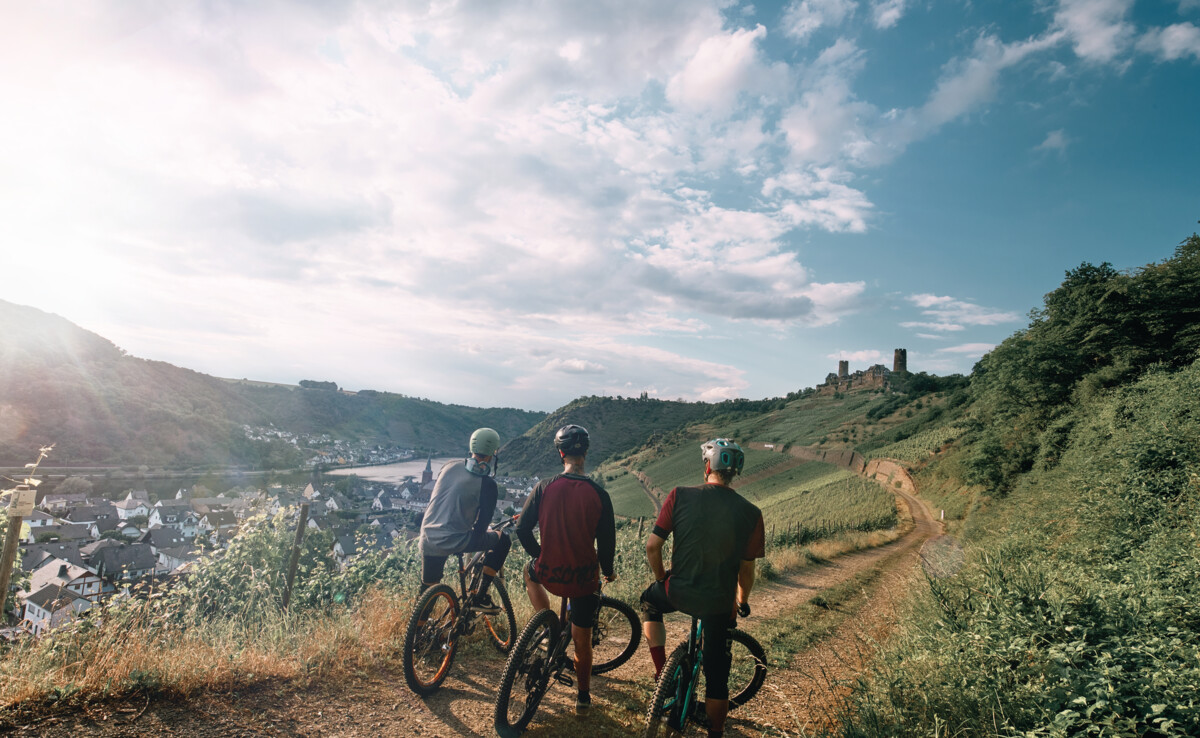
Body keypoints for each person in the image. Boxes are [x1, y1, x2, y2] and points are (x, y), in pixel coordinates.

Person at [640, 438, 765, 738]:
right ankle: (716, 732)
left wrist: (661, 579)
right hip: (720, 604)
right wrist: (741, 600)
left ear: (708, 466)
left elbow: (652, 547)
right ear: (735, 472)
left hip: (677, 591)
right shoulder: (751, 513)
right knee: (717, 678)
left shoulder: (679, 495)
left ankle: (662, 675)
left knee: (649, 602)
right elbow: (746, 571)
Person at [516, 424, 616, 714]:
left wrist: (541, 555)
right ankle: (583, 698)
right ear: (585, 453)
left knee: (528, 570)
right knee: (583, 642)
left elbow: (522, 529)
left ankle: (546, 620)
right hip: (583, 580)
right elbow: (606, 546)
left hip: (548, 572)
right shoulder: (599, 495)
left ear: (561, 453)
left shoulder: (544, 487)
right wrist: (608, 571)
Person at [418, 428, 511, 611]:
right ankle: (480, 596)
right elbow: (481, 527)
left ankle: (417, 636)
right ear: (493, 453)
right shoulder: (488, 484)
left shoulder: (449, 466)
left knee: (428, 588)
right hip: (455, 539)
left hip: (428, 537)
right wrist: (486, 531)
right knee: (503, 540)